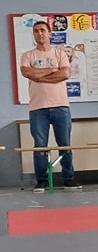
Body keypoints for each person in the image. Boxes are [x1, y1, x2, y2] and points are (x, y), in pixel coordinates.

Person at [20, 20, 82, 192]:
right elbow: (27, 72)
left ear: (49, 34)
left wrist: (38, 75)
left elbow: (65, 74)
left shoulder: (59, 54)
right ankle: (42, 180)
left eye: (42, 30)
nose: (39, 33)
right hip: (37, 108)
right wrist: (52, 70)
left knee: (64, 144)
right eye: (36, 31)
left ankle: (69, 179)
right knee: (40, 146)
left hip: (61, 106)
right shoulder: (27, 56)